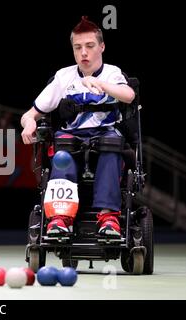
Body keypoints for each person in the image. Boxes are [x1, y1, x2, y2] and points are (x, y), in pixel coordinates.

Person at [20, 16, 135, 237]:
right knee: (61, 149)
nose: (84, 53)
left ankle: (108, 216)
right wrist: (29, 123)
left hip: (105, 135)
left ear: (101, 46)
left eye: (90, 46)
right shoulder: (63, 77)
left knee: (112, 144)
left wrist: (100, 84)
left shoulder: (112, 73)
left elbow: (129, 96)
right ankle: (60, 218)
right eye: (78, 47)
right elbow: (29, 115)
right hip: (72, 136)